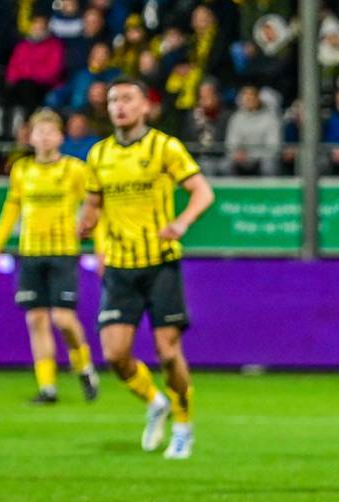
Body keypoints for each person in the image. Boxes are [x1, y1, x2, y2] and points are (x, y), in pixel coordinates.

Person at [78, 78, 215, 460]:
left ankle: (184, 425)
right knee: (115, 354)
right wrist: (87, 225)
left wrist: (182, 223)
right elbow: (93, 204)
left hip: (160, 264)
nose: (119, 106)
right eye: (112, 100)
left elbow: (203, 192)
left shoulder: (164, 147)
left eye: (127, 98)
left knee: (169, 353)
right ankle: (156, 401)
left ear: (144, 107)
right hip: (120, 267)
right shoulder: (99, 155)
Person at [0, 109, 99, 404]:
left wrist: (98, 240)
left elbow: (93, 207)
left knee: (64, 319)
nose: (43, 138)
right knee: (36, 320)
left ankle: (83, 366)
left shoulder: (74, 170)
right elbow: (11, 211)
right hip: (30, 253)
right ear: (30, 136)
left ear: (60, 137)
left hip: (63, 252)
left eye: (49, 132)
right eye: (38, 132)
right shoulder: (22, 170)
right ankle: (47, 388)